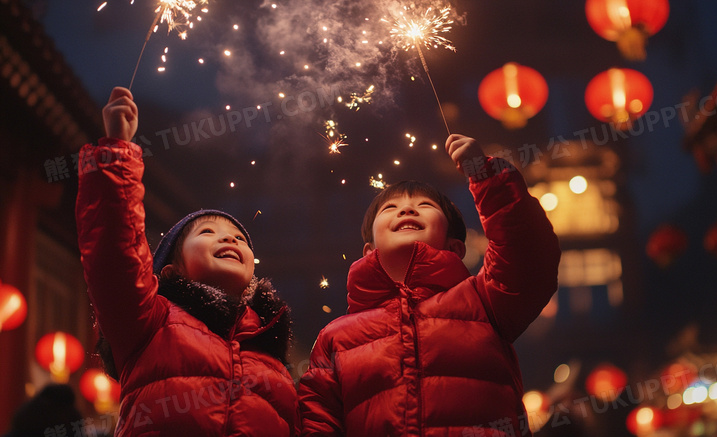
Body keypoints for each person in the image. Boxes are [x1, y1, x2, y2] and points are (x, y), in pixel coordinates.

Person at [298, 134, 561, 436]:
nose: (407, 210)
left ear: (455, 248)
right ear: (370, 250)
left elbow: (528, 256)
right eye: (390, 208)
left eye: (424, 205)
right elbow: (317, 421)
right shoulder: (337, 338)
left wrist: (487, 177)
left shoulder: (484, 301)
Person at [76, 87, 298, 436]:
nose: (229, 239)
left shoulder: (273, 355)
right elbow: (115, 251)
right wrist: (117, 150)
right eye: (208, 232)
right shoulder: (149, 321)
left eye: (240, 238)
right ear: (170, 269)